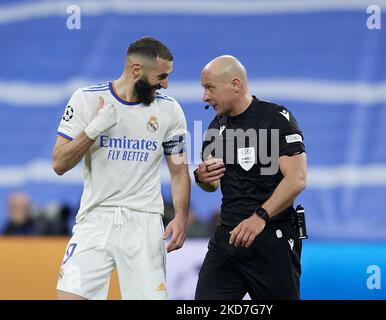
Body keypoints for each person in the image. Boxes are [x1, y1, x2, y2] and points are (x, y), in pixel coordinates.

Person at [52, 36, 190, 300]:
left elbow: (179, 170)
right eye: (161, 76)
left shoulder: (170, 111)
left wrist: (181, 217)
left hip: (144, 223)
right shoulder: (86, 100)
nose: (166, 84)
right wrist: (94, 129)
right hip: (95, 219)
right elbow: (59, 163)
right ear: (136, 69)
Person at [194, 55, 307, 300]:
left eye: (210, 88)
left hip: (270, 240)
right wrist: (202, 176)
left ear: (235, 84)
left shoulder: (276, 119)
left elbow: (296, 179)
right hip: (228, 240)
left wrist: (260, 217)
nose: (205, 97)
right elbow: (211, 184)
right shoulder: (217, 126)